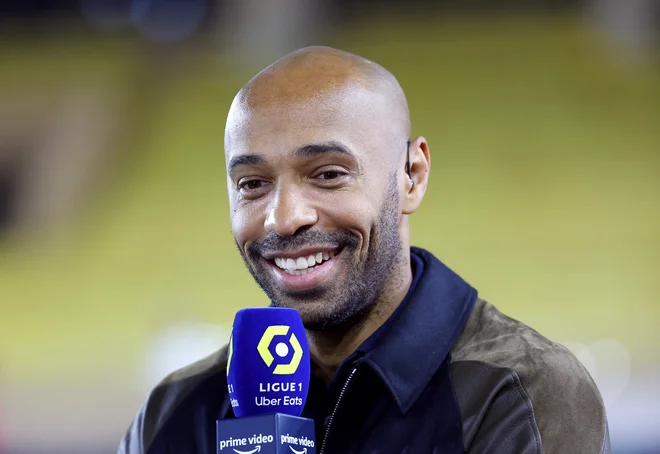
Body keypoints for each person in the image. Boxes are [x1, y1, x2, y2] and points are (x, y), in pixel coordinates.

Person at [117, 46, 611, 454]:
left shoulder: (519, 393)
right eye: (252, 183)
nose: (285, 218)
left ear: (412, 175)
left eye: (328, 174)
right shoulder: (176, 412)